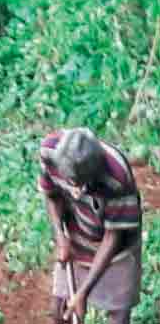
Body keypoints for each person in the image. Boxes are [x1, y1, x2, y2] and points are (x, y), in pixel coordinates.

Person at [39, 128, 142, 324]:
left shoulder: (117, 176)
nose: (75, 190)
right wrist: (61, 238)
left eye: (80, 183)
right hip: (75, 234)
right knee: (59, 312)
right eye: (69, 181)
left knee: (118, 317)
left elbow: (113, 237)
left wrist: (83, 292)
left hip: (115, 248)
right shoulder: (49, 152)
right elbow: (51, 196)